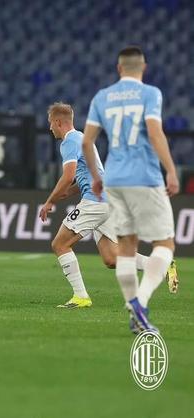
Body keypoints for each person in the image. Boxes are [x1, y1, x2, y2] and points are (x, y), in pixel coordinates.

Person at [39, 102, 175, 309]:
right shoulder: (83, 138)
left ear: (58, 122)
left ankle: (80, 297)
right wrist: (71, 191)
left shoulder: (69, 142)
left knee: (60, 244)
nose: (50, 128)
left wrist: (50, 201)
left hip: (96, 202)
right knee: (111, 258)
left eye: (50, 123)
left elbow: (68, 175)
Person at [82, 46, 179, 334]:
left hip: (114, 179)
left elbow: (87, 142)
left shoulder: (102, 97)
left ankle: (134, 309)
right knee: (165, 244)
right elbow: (154, 132)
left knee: (125, 245)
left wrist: (96, 177)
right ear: (143, 68)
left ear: (118, 68)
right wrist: (171, 169)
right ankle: (140, 302)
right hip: (144, 177)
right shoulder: (150, 94)